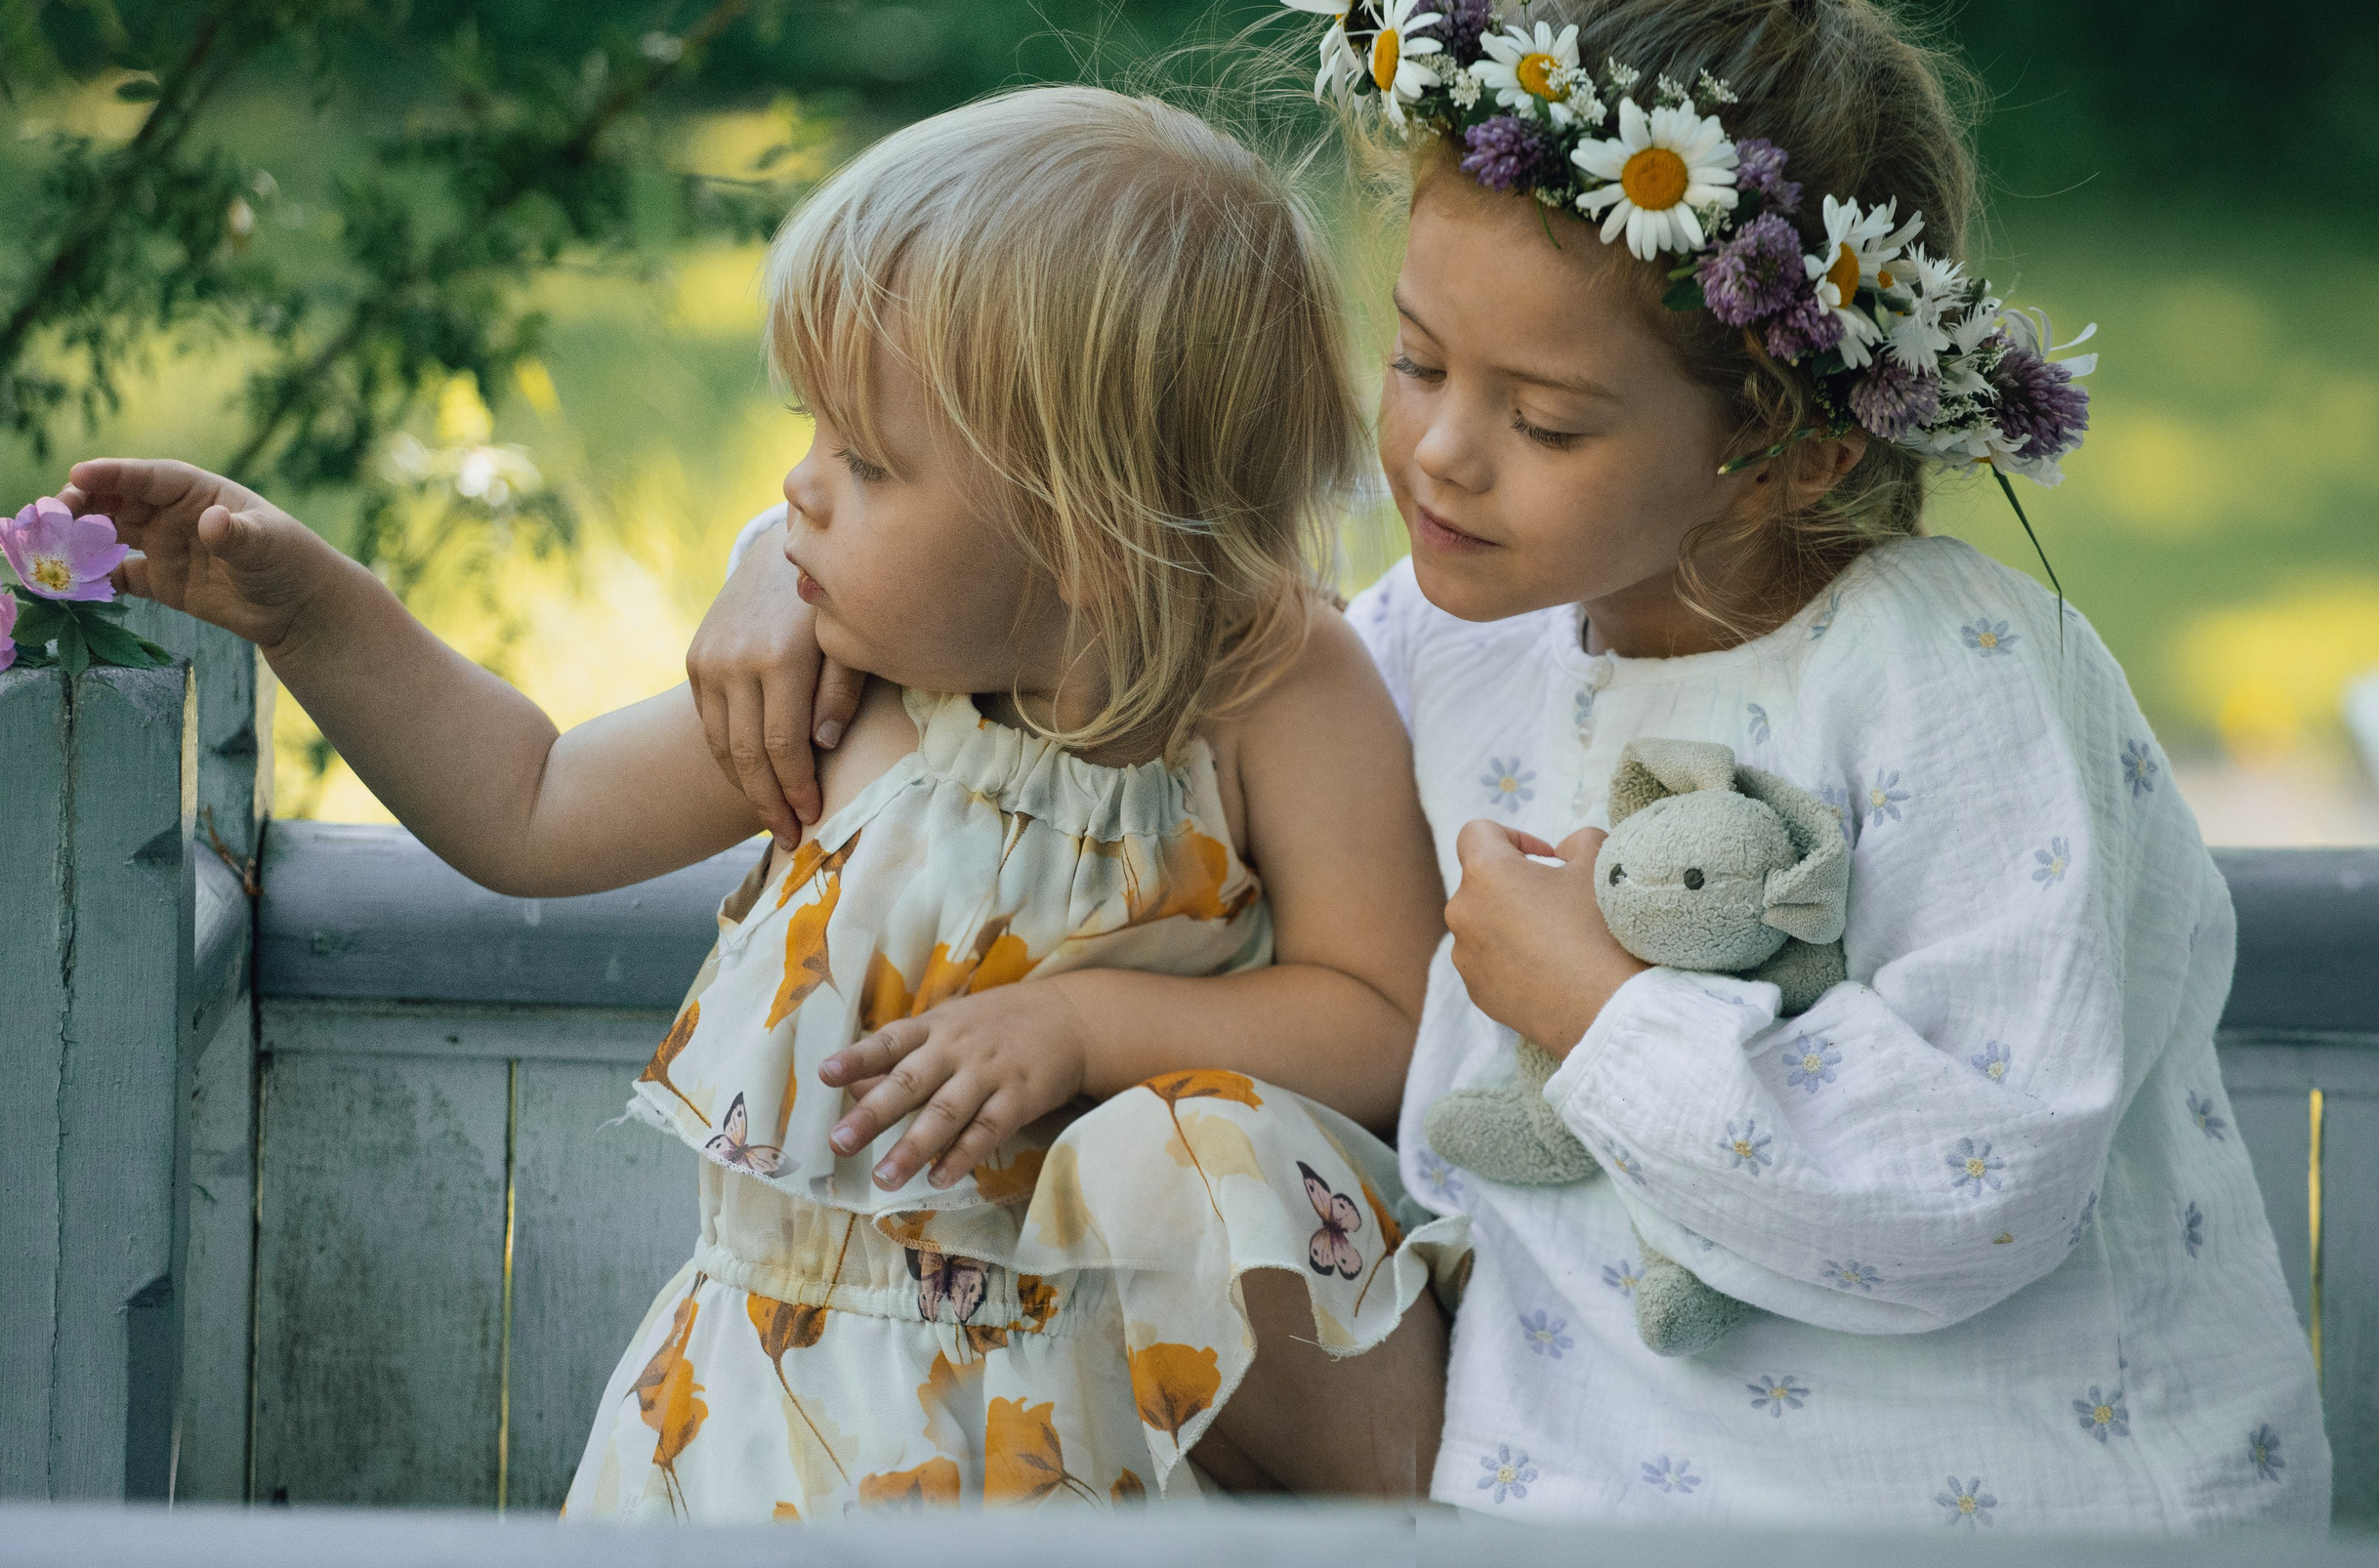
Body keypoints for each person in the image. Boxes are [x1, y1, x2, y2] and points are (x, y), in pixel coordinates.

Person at [702, 0, 2329, 1530]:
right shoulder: (1443, 640)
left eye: (1544, 421)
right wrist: (787, 564)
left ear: (1791, 451)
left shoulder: (1959, 678)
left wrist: (1606, 1015)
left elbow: (1987, 1175)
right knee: (1175, 1160)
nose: (1437, 451)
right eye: (1415, 363)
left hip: (1997, 1509)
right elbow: (1105, 615)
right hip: (1568, 1493)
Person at [60, 85, 1459, 1520]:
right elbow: (528, 804)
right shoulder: (853, 688)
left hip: (1081, 1447)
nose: (796, 488)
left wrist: (1086, 1023)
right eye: (815, 432)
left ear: (1087, 529)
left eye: (865, 461)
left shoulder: (1276, 691)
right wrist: (312, 613)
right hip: (760, 1431)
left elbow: (1387, 1016)